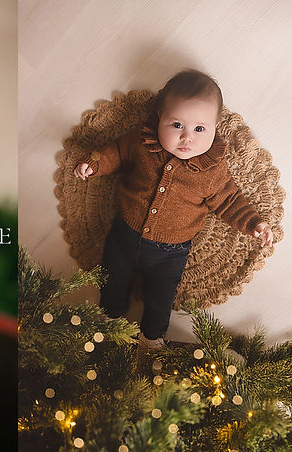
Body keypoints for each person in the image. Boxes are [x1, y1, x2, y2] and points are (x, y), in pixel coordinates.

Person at [73, 69, 273, 353]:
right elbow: (116, 153)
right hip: (124, 234)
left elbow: (229, 200)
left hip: (170, 252)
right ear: (159, 117)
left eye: (199, 129)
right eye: (177, 125)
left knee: (161, 297)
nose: (186, 138)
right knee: (112, 279)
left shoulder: (212, 169)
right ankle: (110, 319)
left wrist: (253, 222)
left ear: (215, 127)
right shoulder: (142, 142)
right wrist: (94, 164)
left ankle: (152, 338)